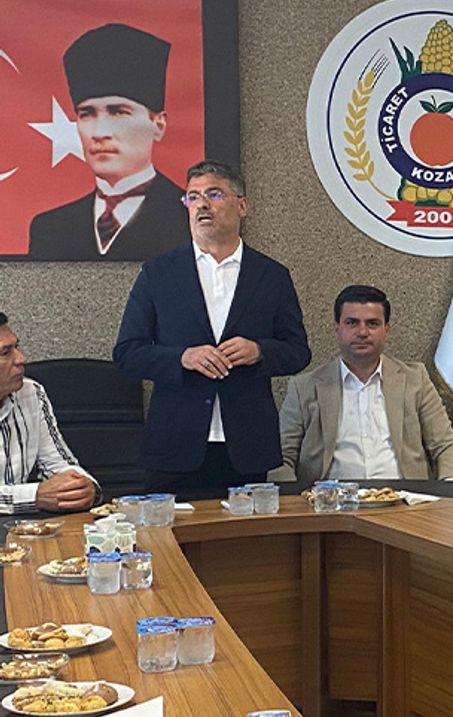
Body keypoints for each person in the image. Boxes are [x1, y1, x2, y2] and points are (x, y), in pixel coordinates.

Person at [114, 160, 310, 495]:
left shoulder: (271, 276)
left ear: (242, 206)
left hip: (246, 446)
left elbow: (298, 351)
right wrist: (182, 358)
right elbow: (127, 353)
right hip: (175, 444)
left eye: (214, 194)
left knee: (245, 531)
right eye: (193, 197)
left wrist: (259, 351)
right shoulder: (159, 273)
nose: (202, 204)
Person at [27, 23, 190, 261]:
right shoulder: (51, 229)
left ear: (158, 124)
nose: (99, 132)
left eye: (118, 112)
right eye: (87, 114)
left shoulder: (189, 218)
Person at [273, 285, 453, 484]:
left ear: (386, 330)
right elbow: (281, 457)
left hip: (405, 498)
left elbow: (446, 445)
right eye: (352, 323)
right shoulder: (304, 387)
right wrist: (292, 498)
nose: (362, 332)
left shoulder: (415, 380)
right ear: (337, 329)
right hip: (330, 499)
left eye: (372, 324)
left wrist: (450, 490)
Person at [0, 313, 98, 513]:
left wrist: (84, 486)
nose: (21, 359)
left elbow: (58, 461)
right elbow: (38, 495)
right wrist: (33, 496)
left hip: (20, 527)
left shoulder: (30, 393)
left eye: (17, 347)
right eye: (5, 353)